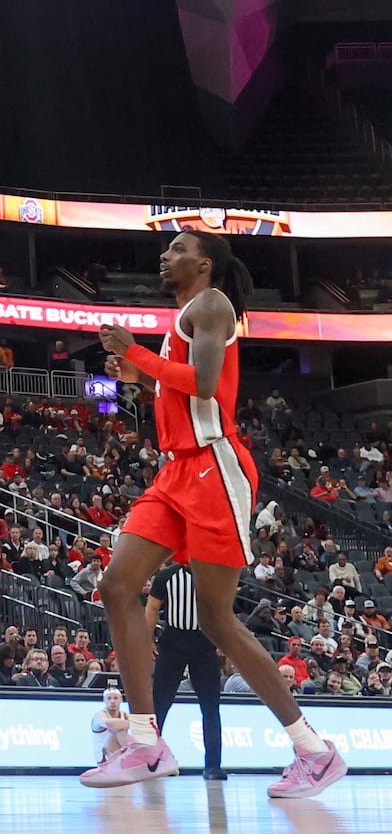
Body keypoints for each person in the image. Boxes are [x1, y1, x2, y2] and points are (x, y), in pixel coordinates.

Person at [93, 230, 345, 798]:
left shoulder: (211, 304)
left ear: (203, 264)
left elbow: (207, 388)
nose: (166, 254)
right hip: (174, 472)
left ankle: (314, 750)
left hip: (214, 467)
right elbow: (181, 389)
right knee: (116, 586)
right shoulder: (185, 315)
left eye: (178, 248)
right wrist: (140, 375)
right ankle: (144, 742)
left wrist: (134, 353)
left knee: (217, 619)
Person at [147, 562, 227, 779]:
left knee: (211, 705)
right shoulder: (166, 576)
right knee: (159, 703)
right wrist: (148, 639)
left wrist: (222, 640)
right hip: (173, 641)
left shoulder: (211, 574)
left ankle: (213, 765)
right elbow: (152, 606)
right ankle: (150, 760)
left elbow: (222, 609)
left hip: (204, 642)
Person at [92, 688, 132, 761]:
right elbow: (110, 723)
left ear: (121, 700)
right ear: (104, 700)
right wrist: (132, 724)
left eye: (115, 698)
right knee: (117, 729)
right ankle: (132, 754)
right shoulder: (99, 714)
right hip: (104, 756)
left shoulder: (125, 715)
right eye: (109, 698)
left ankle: (132, 755)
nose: (112, 701)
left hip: (119, 750)